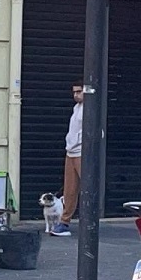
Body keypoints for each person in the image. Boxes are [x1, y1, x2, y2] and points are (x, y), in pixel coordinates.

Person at [54, 80, 84, 237]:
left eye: (79, 91)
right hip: (71, 151)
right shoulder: (76, 108)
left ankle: (87, 220)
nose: (76, 95)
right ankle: (64, 222)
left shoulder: (91, 109)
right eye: (74, 92)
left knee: (86, 187)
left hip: (82, 152)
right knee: (69, 189)